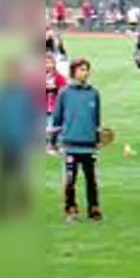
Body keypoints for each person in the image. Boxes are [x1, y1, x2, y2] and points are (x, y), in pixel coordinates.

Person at [51, 58, 104, 222]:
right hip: (71, 144)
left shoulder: (94, 93)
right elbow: (57, 119)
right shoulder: (65, 93)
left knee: (91, 180)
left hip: (88, 145)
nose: (85, 73)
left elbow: (96, 121)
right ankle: (71, 209)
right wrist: (54, 140)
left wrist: (97, 137)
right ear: (73, 72)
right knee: (70, 180)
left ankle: (94, 208)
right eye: (81, 69)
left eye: (87, 69)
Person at [0, 56, 38, 221]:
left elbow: (31, 116)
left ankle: (22, 208)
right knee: (1, 177)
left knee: (20, 177)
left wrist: (31, 136)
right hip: (3, 141)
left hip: (19, 141)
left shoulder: (24, 95)